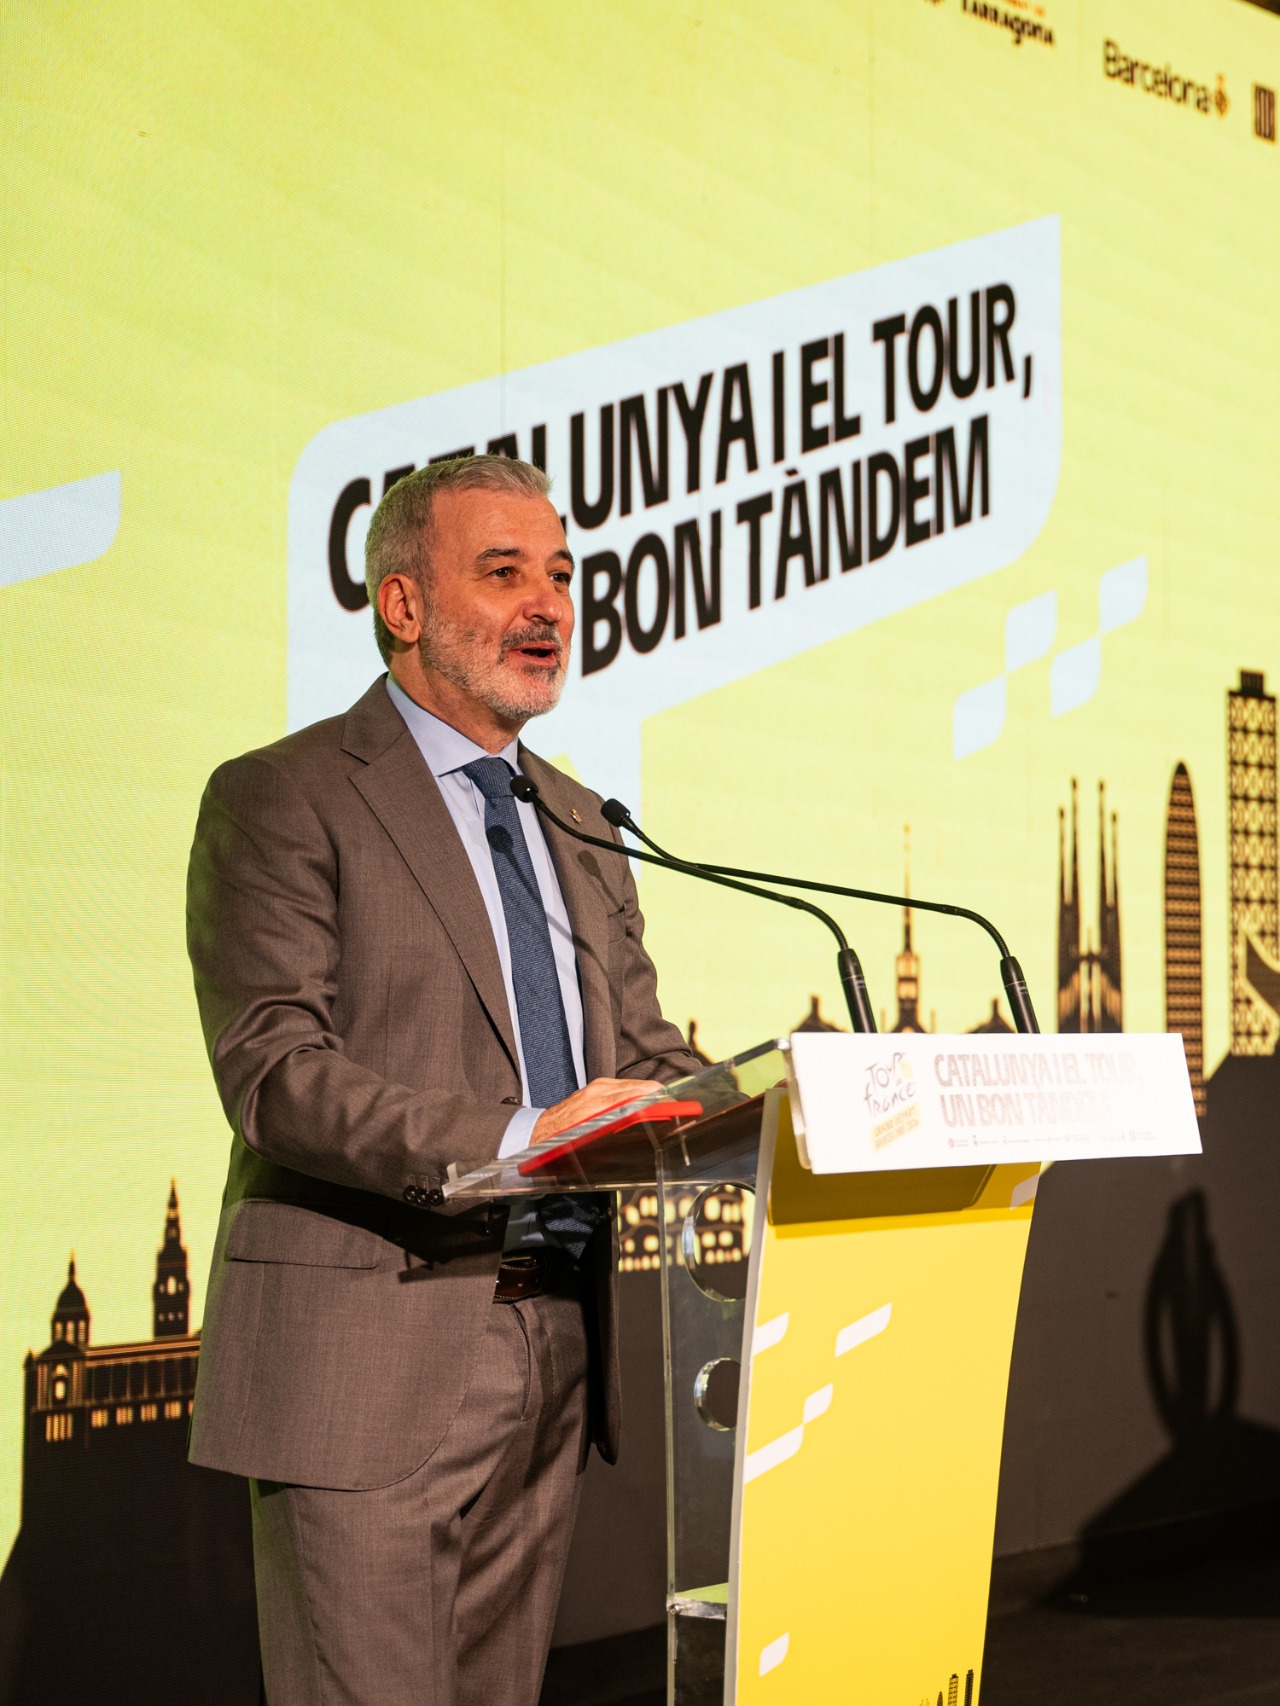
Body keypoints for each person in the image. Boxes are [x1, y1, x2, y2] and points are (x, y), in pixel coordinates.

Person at [185, 454, 700, 1705]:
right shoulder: (284, 796)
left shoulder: (579, 815)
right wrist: (523, 1133)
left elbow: (640, 1050)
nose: (549, 606)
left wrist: (775, 1093)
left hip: (557, 1341)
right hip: (371, 1353)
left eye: (563, 575)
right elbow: (276, 1071)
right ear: (403, 604)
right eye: (505, 571)